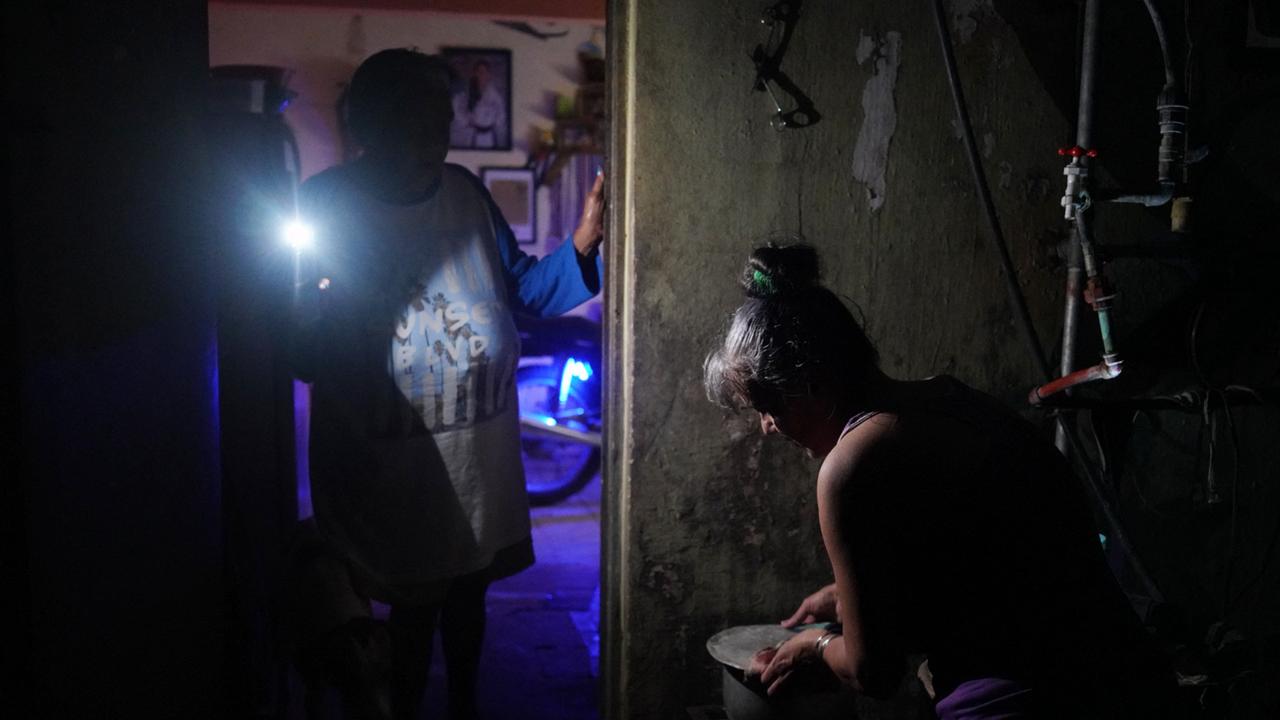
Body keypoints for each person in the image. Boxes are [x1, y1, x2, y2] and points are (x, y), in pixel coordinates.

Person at [703, 244, 1180, 719]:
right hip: (1133, 680)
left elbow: (875, 673)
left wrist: (816, 644)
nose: (767, 425)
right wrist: (858, 597)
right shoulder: (953, 398)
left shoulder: (850, 465)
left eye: (769, 405)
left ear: (810, 381)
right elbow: (989, 578)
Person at [291, 48, 604, 720]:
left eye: (442, 118)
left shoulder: (464, 192)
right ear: (371, 126)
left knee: (467, 598)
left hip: (474, 463)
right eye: (417, 119)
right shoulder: (326, 206)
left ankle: (464, 703)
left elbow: (524, 289)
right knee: (408, 615)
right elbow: (294, 340)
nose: (438, 135)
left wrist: (581, 245)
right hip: (389, 467)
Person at [450, 59, 506, 149]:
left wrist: (495, 123)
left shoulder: (495, 94)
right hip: (472, 133)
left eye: (484, 72)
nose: (482, 75)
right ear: (475, 74)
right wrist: (465, 122)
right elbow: (456, 108)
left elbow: (501, 113)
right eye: (479, 72)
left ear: (489, 75)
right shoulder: (466, 93)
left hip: (489, 134)